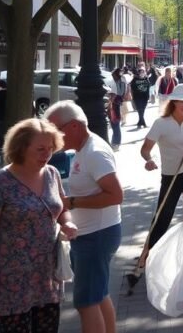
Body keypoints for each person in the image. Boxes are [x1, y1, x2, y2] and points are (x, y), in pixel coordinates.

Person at [0, 118, 77, 333]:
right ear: (20, 147)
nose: (47, 154)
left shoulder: (52, 174)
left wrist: (67, 224)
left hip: (47, 276)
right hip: (11, 280)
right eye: (40, 149)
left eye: (50, 148)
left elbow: (61, 208)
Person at [44, 101, 124, 333]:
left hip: (96, 236)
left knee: (86, 302)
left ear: (75, 127)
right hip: (93, 234)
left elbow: (116, 195)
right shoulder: (85, 149)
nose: (52, 137)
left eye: (55, 130)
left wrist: (71, 203)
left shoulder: (94, 152)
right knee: (98, 295)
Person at [139, 83, 183, 249]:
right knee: (163, 215)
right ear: (174, 101)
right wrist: (149, 160)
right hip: (170, 174)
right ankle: (150, 253)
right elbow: (145, 149)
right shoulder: (161, 123)